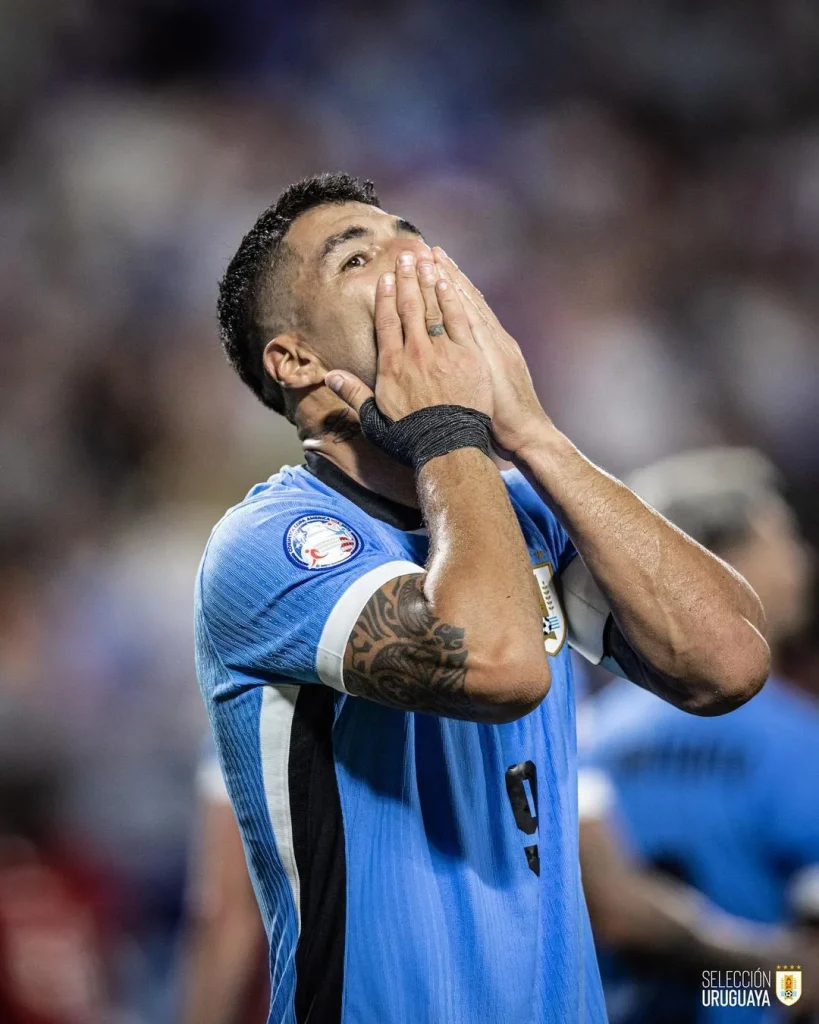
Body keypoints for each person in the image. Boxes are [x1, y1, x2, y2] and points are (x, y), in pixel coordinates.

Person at [194, 172, 770, 1024]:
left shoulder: (520, 506)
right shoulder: (272, 541)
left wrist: (531, 432)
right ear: (296, 359)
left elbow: (726, 663)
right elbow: (500, 664)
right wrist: (448, 432)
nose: (413, 264)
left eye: (410, 237)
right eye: (358, 257)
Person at [583, 447, 819, 1023]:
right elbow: (807, 984)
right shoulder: (794, 739)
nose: (801, 563)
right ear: (719, 564)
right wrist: (732, 987)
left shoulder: (587, 735)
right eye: (780, 538)